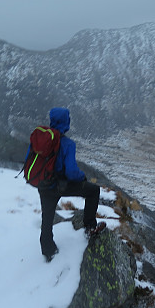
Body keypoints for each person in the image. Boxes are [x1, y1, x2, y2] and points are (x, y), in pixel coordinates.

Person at [38, 107, 106, 262]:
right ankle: (89, 227)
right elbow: (71, 172)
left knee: (47, 217)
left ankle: (48, 251)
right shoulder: (68, 144)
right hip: (61, 185)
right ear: (66, 122)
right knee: (93, 191)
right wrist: (82, 177)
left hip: (43, 185)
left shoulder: (41, 139)